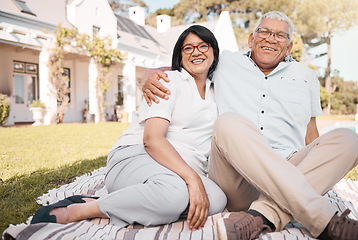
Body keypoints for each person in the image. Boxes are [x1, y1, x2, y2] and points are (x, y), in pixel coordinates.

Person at [141, 11, 358, 240]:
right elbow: (182, 68)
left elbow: (311, 136)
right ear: (251, 39)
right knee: (228, 122)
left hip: (290, 168)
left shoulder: (307, 77)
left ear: (289, 46)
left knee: (349, 139)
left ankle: (260, 217)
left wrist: (323, 168)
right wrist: (148, 76)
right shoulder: (225, 62)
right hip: (236, 178)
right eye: (264, 31)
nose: (270, 38)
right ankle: (328, 223)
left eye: (279, 35)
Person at [31, 25, 226, 231]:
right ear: (180, 56)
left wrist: (192, 179)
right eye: (188, 48)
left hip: (178, 172)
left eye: (203, 45)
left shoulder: (217, 92)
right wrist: (193, 180)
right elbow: (152, 140)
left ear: (214, 51)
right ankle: (83, 208)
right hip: (137, 156)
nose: (196, 51)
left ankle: (145, 200)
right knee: (174, 195)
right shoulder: (168, 82)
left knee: (217, 200)